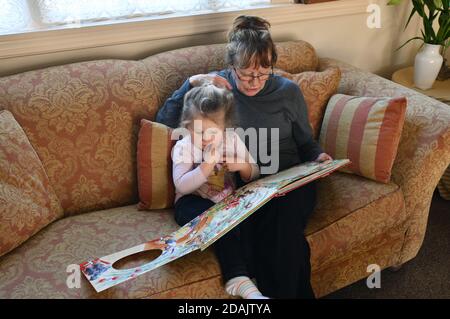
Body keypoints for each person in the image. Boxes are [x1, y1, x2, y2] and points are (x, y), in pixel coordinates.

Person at [157, 15, 333, 299]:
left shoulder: (289, 92)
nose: (254, 82)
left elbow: (305, 142)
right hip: (248, 188)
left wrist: (320, 157)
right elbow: (164, 121)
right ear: (231, 67)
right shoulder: (217, 90)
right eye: (245, 73)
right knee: (280, 238)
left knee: (283, 221)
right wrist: (192, 82)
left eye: (263, 73)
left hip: (290, 179)